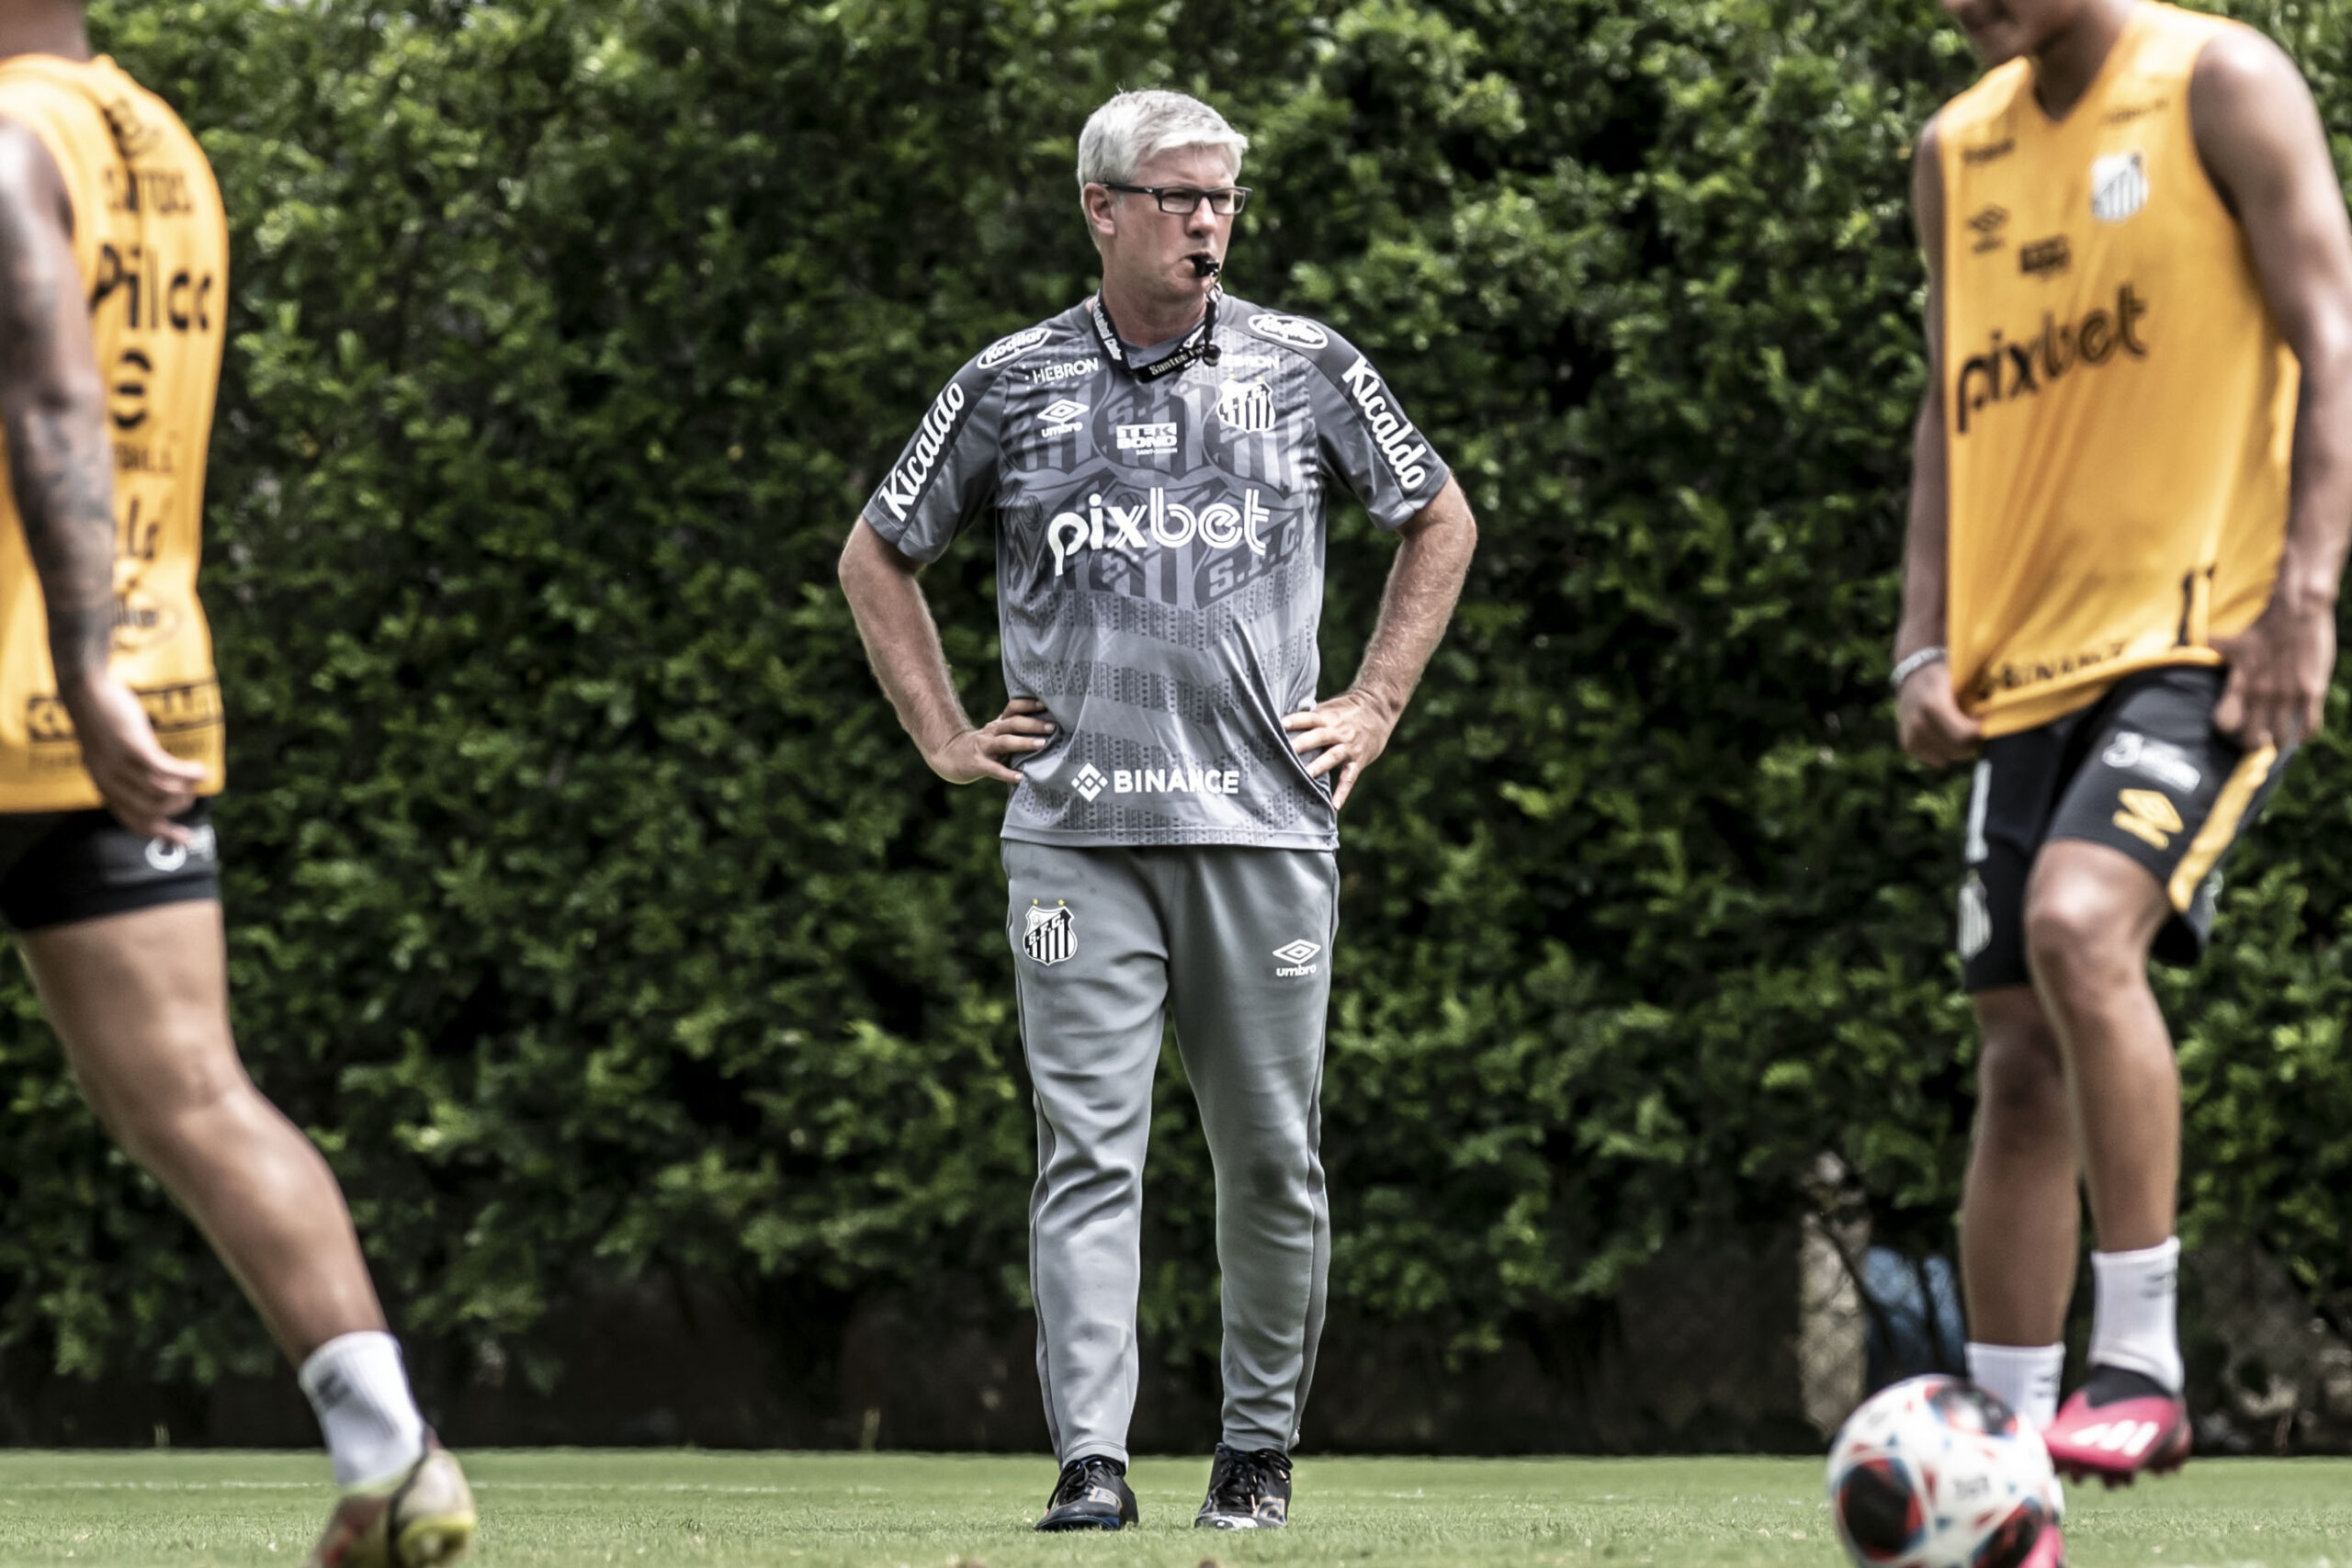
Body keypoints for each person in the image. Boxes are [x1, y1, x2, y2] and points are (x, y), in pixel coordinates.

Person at [839, 88, 1476, 1531]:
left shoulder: (1305, 364)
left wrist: (1375, 701)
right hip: (1075, 838)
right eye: (1179, 197)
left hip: (1265, 828)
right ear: (1102, 208)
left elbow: (1439, 514)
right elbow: (877, 553)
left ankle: (1256, 1456)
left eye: (1223, 199)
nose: (1207, 225)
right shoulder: (1009, 381)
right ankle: (1093, 1467)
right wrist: (942, 733)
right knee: (1087, 1154)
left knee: (1272, 1160)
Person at [0, 7, 475, 1564]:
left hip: (45, 677)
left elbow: (54, 400)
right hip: (144, 691)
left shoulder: (7, 139)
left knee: (190, 1095)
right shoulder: (156, 146)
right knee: (198, 1094)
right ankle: (394, 1455)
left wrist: (71, 657)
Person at [1896, 0, 2352, 1526]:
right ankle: (2006, 1480)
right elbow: (1947, 408)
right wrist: (1920, 642)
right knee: (2018, 1056)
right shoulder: (1954, 149)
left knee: (2082, 927)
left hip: (2203, 638)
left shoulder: (2220, 82)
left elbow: (2333, 336)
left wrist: (2306, 597)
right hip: (2019, 668)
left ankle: (2143, 1361)